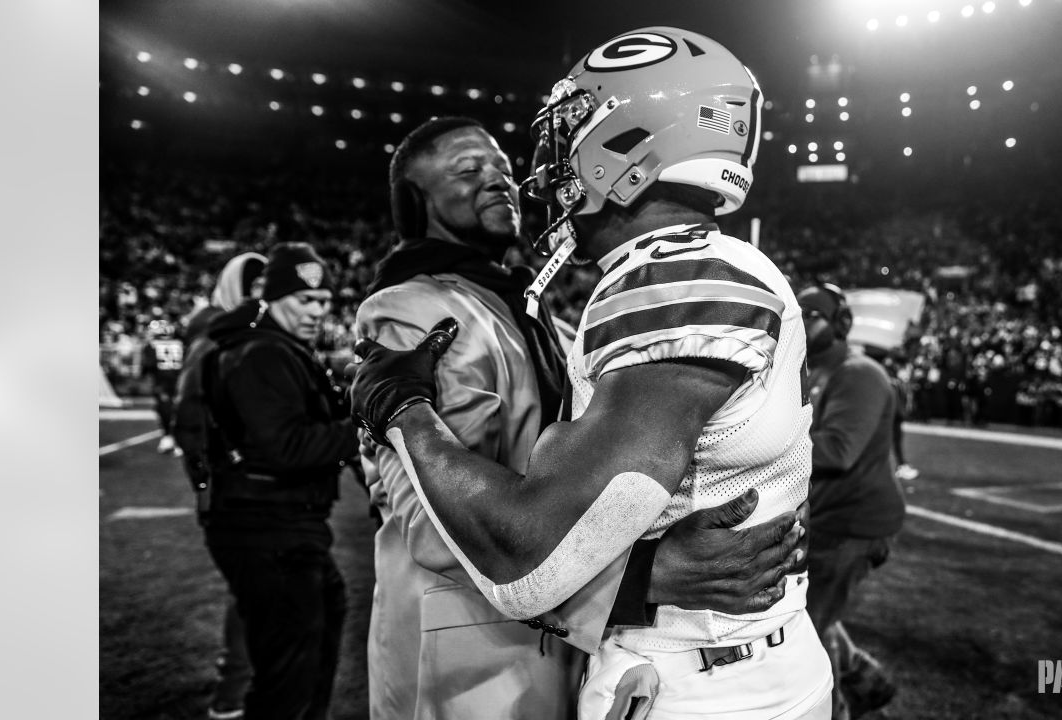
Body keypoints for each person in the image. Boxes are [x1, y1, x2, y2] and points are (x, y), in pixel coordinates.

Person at [351, 27, 832, 719]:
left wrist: (404, 412)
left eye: (571, 132)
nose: (528, 172)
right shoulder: (422, 306)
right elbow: (420, 519)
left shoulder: (663, 281)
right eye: (467, 172)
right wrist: (642, 574)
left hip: (673, 672)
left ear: (630, 144)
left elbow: (528, 552)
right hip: (475, 648)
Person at [199, 242, 358, 720]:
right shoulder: (262, 352)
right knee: (287, 681)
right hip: (267, 526)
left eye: (323, 302)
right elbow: (284, 447)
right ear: (273, 298)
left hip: (278, 524)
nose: (315, 311)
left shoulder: (274, 347)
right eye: (304, 300)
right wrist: (366, 425)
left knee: (311, 648)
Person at [796, 283, 904, 720]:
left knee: (807, 628)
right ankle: (866, 680)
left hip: (853, 523)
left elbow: (838, 451)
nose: (803, 322)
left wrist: (761, 444)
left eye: (813, 315)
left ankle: (837, 708)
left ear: (840, 324)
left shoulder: (858, 373)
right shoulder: (812, 369)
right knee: (809, 610)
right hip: (830, 516)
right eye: (798, 313)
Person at [171, 251, 266, 720]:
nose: (258, 297)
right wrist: (209, 478)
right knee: (252, 588)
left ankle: (244, 686)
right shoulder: (214, 334)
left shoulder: (246, 332)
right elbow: (189, 416)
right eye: (251, 288)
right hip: (238, 487)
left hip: (258, 483)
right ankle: (231, 692)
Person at [140, 317, 184, 454]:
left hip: (162, 383)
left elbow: (147, 366)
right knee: (180, 411)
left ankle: (169, 437)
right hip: (180, 381)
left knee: (164, 410)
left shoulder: (151, 346)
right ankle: (179, 441)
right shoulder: (180, 343)